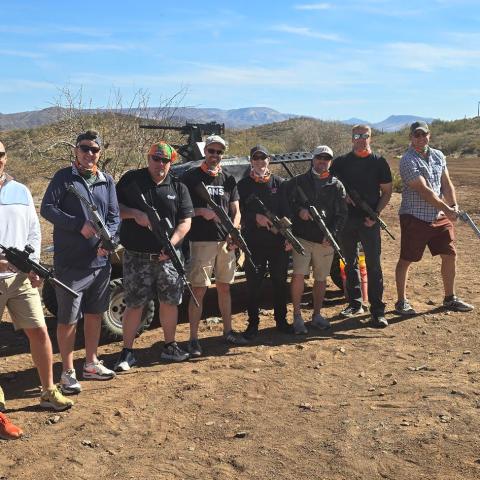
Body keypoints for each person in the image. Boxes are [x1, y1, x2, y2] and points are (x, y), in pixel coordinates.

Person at [41, 130, 119, 394]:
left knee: (95, 314)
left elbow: (114, 216)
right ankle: (67, 371)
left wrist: (108, 243)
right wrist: (78, 225)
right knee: (68, 319)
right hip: (71, 264)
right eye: (85, 148)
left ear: (100, 153)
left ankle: (91, 363)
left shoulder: (106, 180)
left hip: (100, 263)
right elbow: (47, 208)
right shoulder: (64, 177)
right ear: (76, 150)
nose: (89, 154)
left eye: (94, 150)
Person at [0, 141, 73, 411]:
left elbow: (33, 230)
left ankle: (48, 391)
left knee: (40, 332)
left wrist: (33, 266)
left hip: (20, 278)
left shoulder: (20, 190)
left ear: (6, 158)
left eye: (1, 154)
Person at [113, 142, 194, 370]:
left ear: (171, 163)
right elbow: (113, 208)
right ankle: (127, 352)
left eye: (165, 160)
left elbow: (186, 221)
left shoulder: (178, 187)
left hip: (168, 257)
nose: (160, 164)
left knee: (169, 303)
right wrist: (135, 214)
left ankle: (170, 346)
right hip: (136, 257)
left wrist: (173, 245)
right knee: (134, 304)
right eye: (155, 159)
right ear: (148, 158)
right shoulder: (132, 180)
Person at [394, 121, 474, 315]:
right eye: (417, 135)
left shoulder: (438, 155)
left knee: (450, 254)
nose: (421, 138)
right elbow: (424, 190)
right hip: (415, 216)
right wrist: (447, 209)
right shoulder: (407, 160)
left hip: (438, 215)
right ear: (411, 137)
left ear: (429, 135)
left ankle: (450, 298)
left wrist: (453, 205)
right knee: (407, 258)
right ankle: (401, 302)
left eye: (424, 134)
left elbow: (446, 184)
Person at [181, 135, 247, 356]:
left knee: (225, 287)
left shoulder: (228, 178)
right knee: (199, 289)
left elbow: (235, 209)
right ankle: (193, 339)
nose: (215, 156)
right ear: (205, 151)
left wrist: (234, 230)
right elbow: (183, 209)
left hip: (225, 242)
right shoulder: (191, 177)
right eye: (212, 151)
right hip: (201, 241)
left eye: (219, 152)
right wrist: (203, 212)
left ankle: (228, 331)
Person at [330, 125, 393, 327]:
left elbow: (387, 192)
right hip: (346, 221)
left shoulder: (379, 162)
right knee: (350, 263)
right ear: (352, 138)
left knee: (374, 266)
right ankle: (355, 303)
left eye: (365, 136)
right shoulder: (340, 163)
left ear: (370, 138)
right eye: (357, 136)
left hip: (369, 221)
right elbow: (329, 185)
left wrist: (376, 215)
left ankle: (377, 310)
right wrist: (343, 196)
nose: (361, 139)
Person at [288, 145, 348, 334]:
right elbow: (288, 206)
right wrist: (300, 212)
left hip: (325, 240)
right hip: (302, 237)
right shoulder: (298, 182)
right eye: (319, 157)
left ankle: (316, 315)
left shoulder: (336, 185)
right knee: (298, 276)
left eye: (326, 158)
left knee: (321, 279)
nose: (322, 161)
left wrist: (332, 234)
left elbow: (342, 214)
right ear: (312, 159)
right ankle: (297, 316)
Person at [237, 145, 294, 340]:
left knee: (279, 282)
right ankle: (253, 324)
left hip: (278, 243)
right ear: (251, 161)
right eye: (256, 158)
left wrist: (288, 236)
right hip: (254, 243)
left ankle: (282, 321)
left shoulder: (280, 183)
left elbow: (288, 211)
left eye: (264, 158)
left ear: (269, 160)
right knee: (253, 285)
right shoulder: (243, 185)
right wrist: (256, 218)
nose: (260, 162)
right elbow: (238, 214)